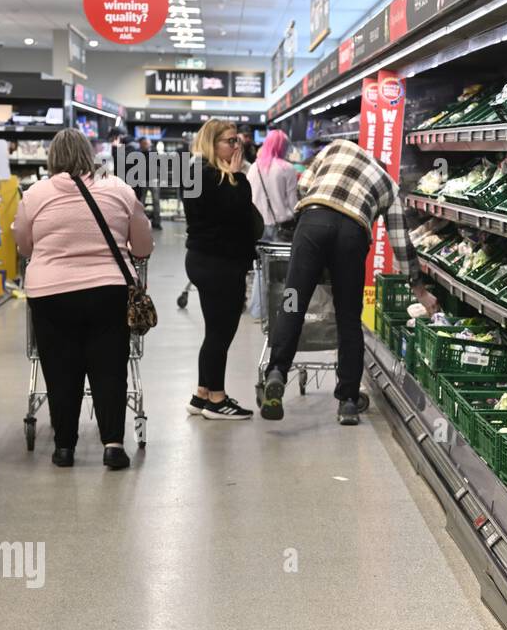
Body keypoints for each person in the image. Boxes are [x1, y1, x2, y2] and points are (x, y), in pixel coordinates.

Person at [259, 140, 436, 426]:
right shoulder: (389, 186)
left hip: (314, 222)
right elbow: (400, 244)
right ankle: (348, 401)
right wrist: (418, 288)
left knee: (292, 302)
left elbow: (304, 186)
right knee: (348, 319)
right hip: (352, 234)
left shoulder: (338, 147)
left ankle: (277, 370)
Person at [13, 129, 153, 469]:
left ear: (51, 158)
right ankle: (114, 445)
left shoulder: (35, 194)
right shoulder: (119, 189)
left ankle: (64, 447)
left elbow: (24, 246)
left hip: (51, 295)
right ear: (90, 155)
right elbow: (143, 246)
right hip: (109, 291)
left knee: (61, 369)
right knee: (109, 367)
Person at [182, 118, 262, 421]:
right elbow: (236, 211)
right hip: (220, 264)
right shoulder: (217, 177)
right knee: (220, 333)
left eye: (237, 141)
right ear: (212, 144)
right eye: (230, 141)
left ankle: (201, 393)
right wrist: (237, 176)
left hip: (202, 260)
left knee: (214, 331)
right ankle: (217, 399)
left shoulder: (193, 172)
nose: (236, 147)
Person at [246, 130, 299, 242]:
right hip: (281, 226)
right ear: (282, 146)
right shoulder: (288, 168)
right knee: (279, 259)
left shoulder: (254, 167)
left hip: (257, 226)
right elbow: (293, 202)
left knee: (259, 258)